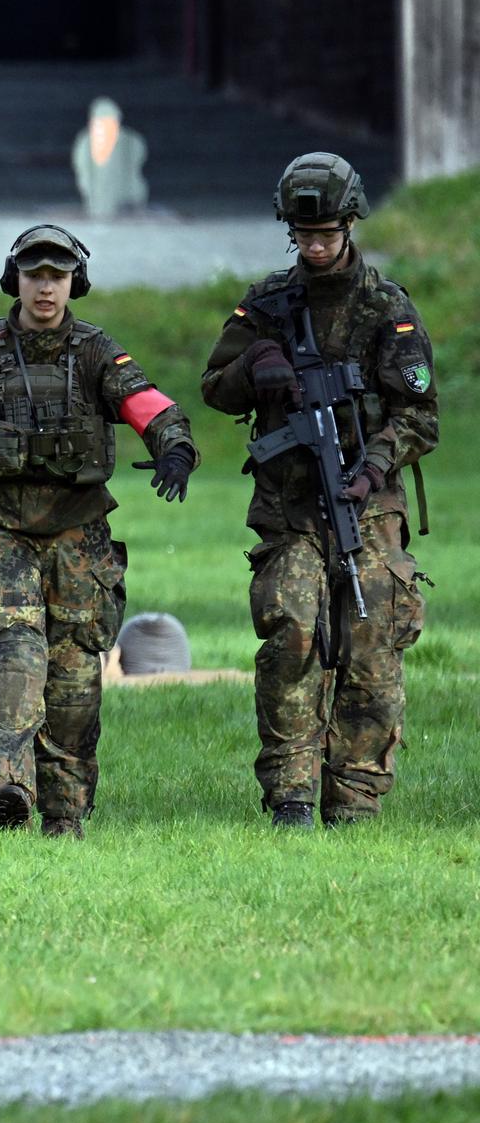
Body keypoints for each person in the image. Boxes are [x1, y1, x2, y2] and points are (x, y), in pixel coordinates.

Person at [0, 225, 196, 839]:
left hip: (79, 541)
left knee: (76, 685)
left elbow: (150, 407)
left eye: (57, 276)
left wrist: (174, 448)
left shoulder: (96, 353)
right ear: (17, 282)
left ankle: (65, 818)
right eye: (35, 276)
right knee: (12, 655)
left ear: (73, 283)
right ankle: (9, 787)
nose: (46, 288)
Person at [200, 152, 435, 829]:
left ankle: (356, 800)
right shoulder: (268, 303)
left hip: (367, 505)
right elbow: (216, 387)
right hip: (290, 509)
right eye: (305, 235)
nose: (317, 246)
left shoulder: (386, 308)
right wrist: (257, 363)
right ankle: (292, 797)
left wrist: (373, 467)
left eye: (328, 232)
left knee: (371, 647)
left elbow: (420, 413)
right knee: (293, 635)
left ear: (351, 224)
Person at [71, 96, 148, 219]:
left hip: (125, 195)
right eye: (100, 121)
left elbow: (137, 158)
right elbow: (81, 164)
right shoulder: (85, 140)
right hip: (95, 193)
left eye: (110, 121)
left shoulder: (130, 140)